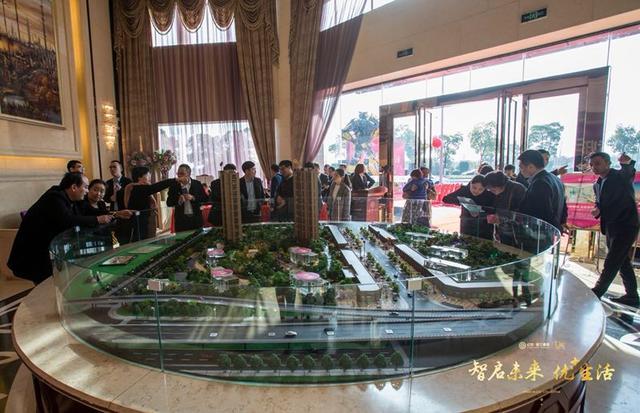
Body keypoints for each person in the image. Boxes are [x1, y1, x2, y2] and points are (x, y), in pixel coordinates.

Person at [7, 173, 113, 284]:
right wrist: (97, 220)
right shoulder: (54, 198)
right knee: (47, 286)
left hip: (47, 254)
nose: (87, 191)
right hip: (33, 255)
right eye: (86, 187)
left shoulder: (70, 199)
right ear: (74, 187)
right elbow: (67, 220)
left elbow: (90, 211)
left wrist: (115, 214)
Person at [589, 152, 639, 306]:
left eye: (598, 163)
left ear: (608, 163)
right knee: (622, 261)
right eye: (592, 165)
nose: (594, 167)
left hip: (626, 225)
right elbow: (600, 203)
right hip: (611, 225)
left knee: (612, 261)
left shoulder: (619, 176)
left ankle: (597, 292)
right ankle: (632, 295)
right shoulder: (597, 183)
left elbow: (628, 173)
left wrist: (627, 164)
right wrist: (597, 210)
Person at [124, 166, 188, 241]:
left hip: (142, 220)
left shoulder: (139, 187)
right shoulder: (137, 188)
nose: (149, 176)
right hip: (137, 221)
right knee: (139, 240)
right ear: (140, 177)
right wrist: (176, 180)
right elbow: (157, 187)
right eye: (147, 174)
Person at [517, 150, 567, 232]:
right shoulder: (556, 179)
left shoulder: (540, 183)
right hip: (552, 230)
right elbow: (564, 205)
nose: (520, 170)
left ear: (531, 167)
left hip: (541, 232)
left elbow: (543, 212)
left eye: (521, 167)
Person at [442, 175, 495, 239]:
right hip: (467, 225)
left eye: (481, 189)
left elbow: (495, 210)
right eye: (474, 187)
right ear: (470, 184)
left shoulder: (489, 194)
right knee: (465, 242)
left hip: (484, 227)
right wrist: (464, 201)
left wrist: (480, 209)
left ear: (485, 188)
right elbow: (445, 199)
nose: (476, 191)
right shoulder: (464, 190)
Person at [484, 171, 527, 246]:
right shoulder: (497, 192)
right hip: (503, 230)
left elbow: (522, 213)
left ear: (499, 184)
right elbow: (496, 210)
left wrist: (501, 218)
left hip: (518, 232)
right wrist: (496, 230)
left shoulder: (518, 189)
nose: (491, 191)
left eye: (492, 189)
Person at [167, 164, 208, 232]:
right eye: (178, 173)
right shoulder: (174, 186)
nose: (179, 176)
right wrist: (178, 201)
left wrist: (193, 197)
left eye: (182, 173)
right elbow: (168, 203)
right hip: (181, 220)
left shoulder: (197, 184)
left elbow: (205, 199)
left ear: (189, 174)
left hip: (196, 219)